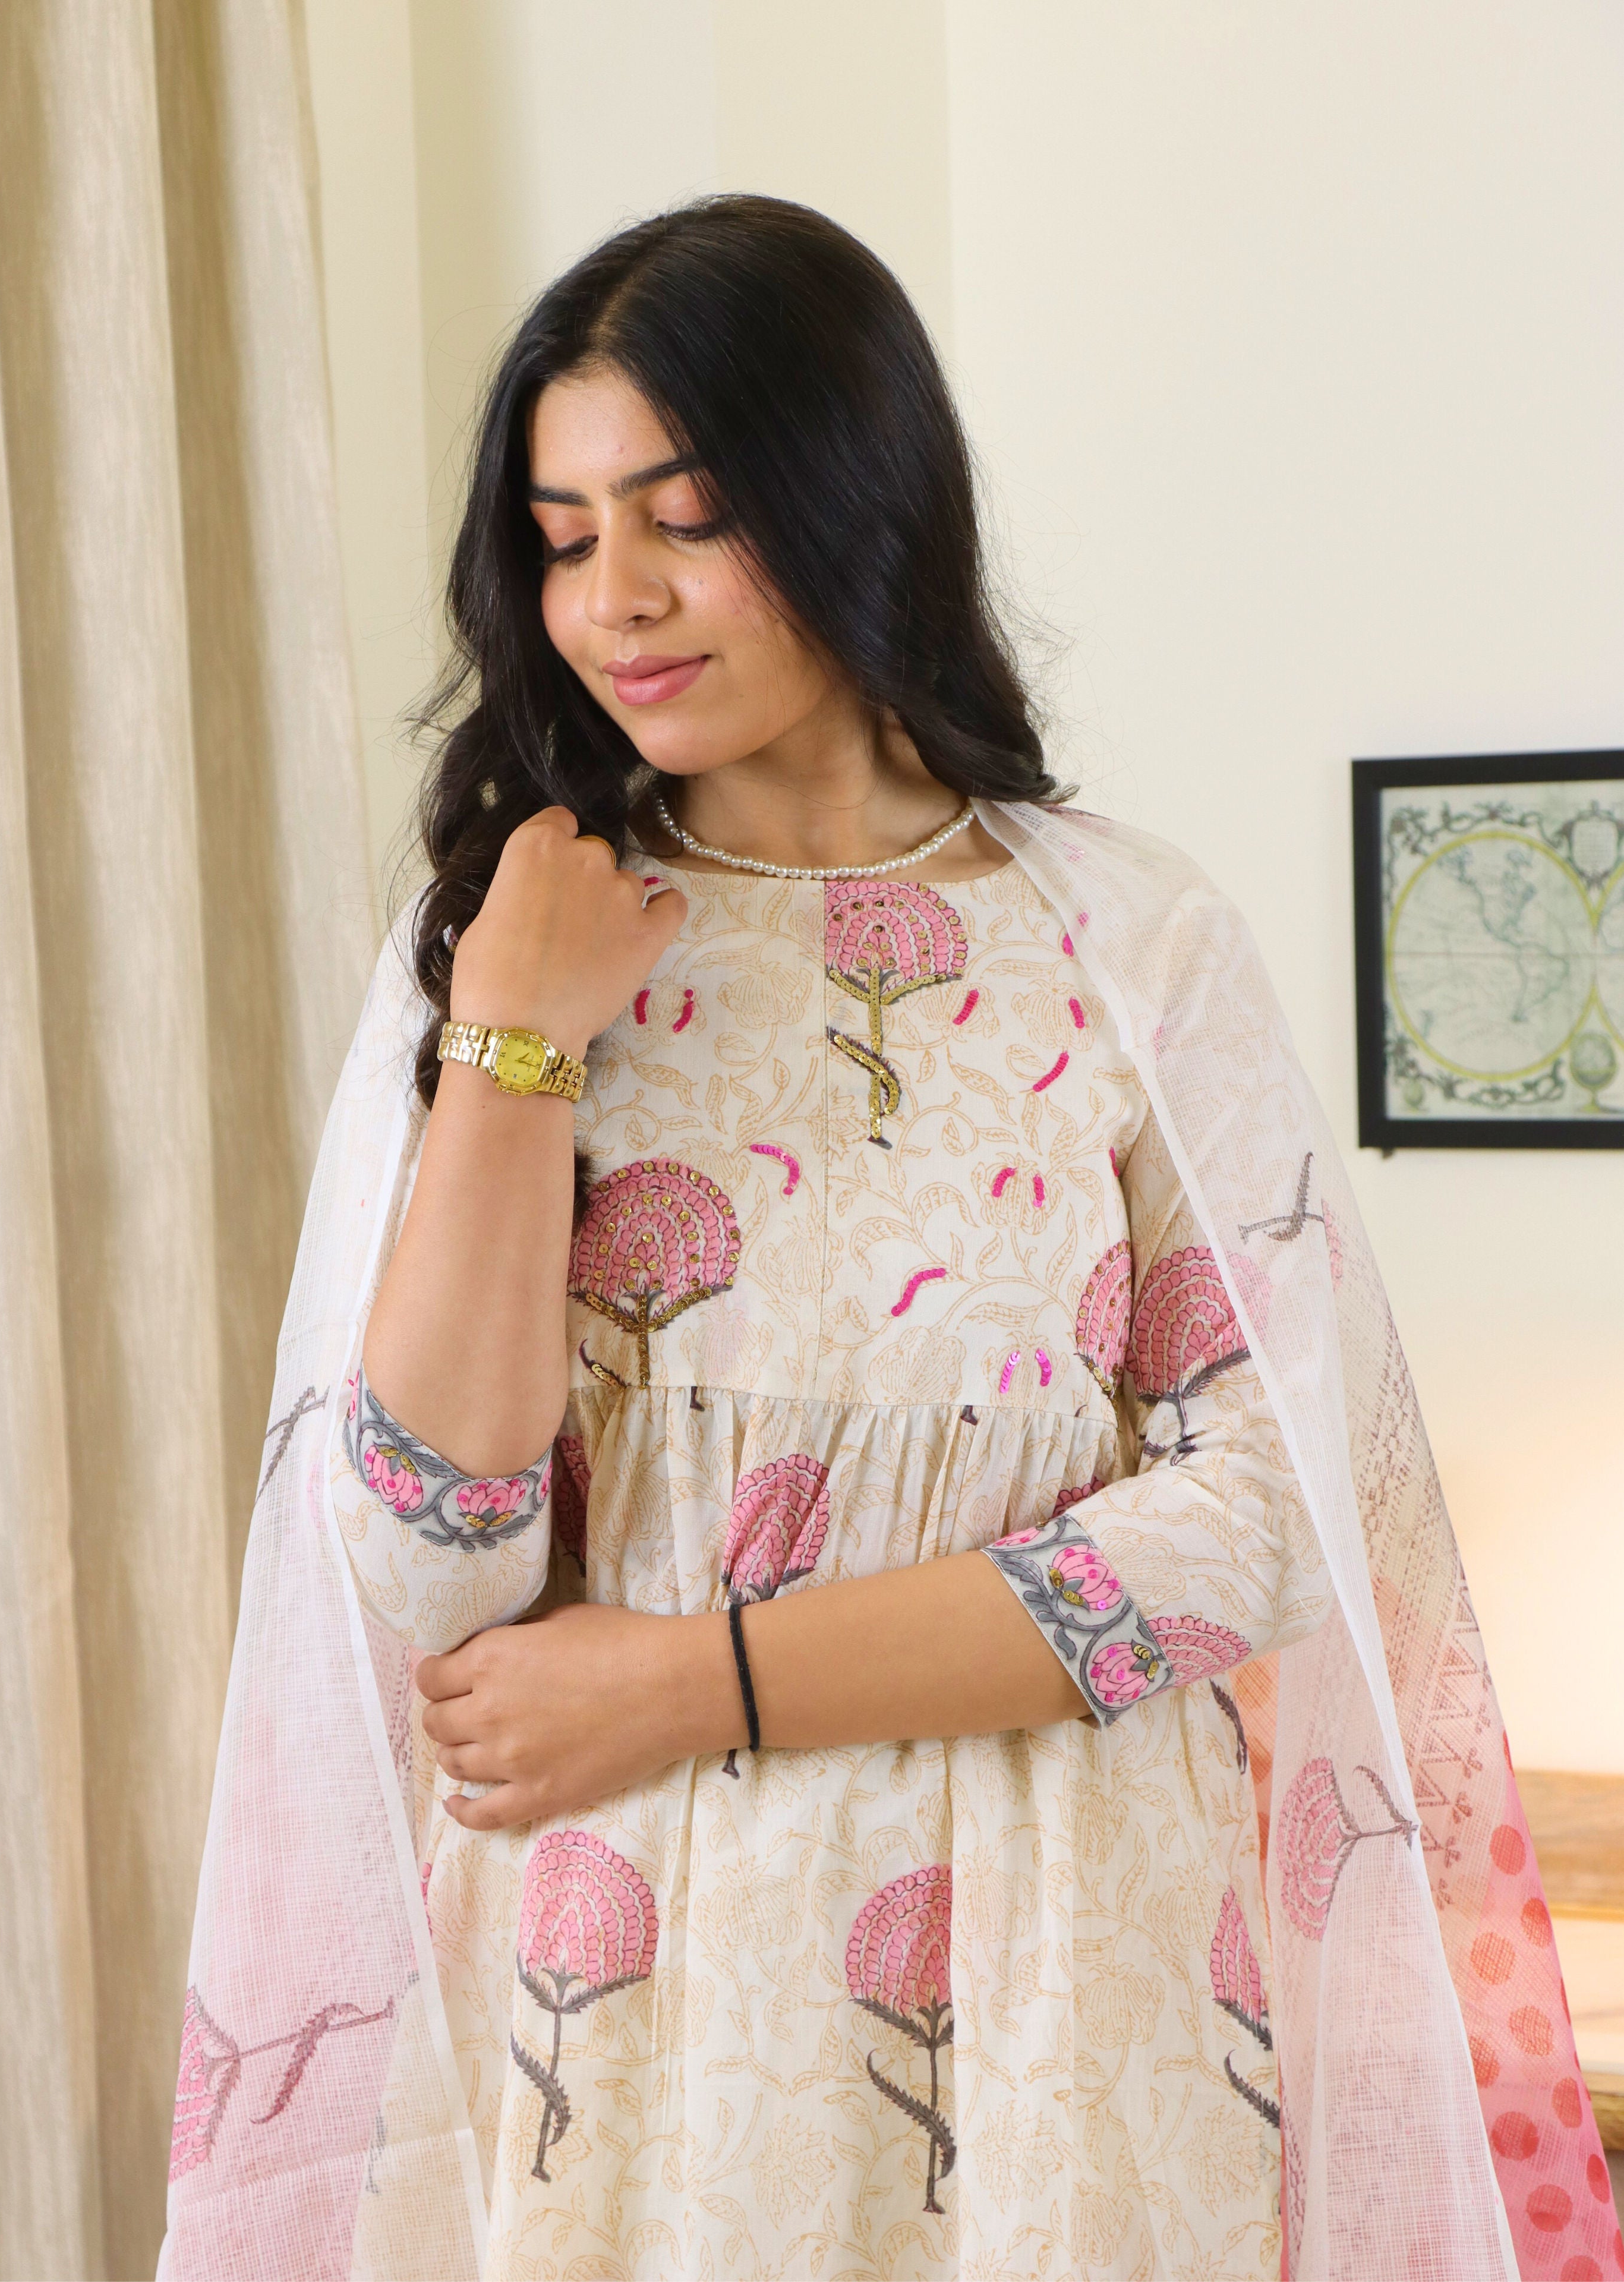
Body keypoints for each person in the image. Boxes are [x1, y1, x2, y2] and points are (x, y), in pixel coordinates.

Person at [159, 198, 1613, 2281]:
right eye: (563, 539)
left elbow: (1269, 1515)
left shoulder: (1125, 937)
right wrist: (514, 1042)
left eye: (684, 518)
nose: (614, 598)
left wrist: (697, 1683)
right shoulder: (509, 940)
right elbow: (423, 1565)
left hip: (1072, 2003)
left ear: (857, 503)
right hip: (633, 2031)